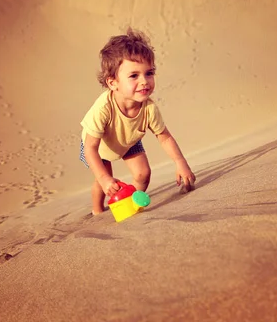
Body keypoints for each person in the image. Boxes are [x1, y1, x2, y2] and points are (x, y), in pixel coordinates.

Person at [80, 27, 196, 215]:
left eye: (149, 73)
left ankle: (130, 204)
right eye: (134, 75)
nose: (144, 81)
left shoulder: (149, 108)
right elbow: (90, 147)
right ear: (112, 83)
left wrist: (180, 162)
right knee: (103, 182)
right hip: (99, 145)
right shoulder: (103, 108)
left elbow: (164, 137)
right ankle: (97, 213)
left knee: (143, 174)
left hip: (128, 140)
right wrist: (103, 178)